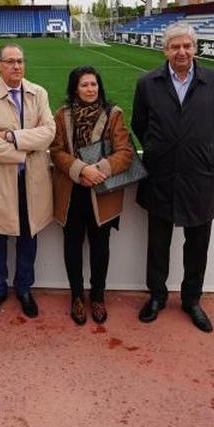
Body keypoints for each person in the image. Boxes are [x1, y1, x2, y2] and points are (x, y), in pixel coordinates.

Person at [131, 22, 214, 332]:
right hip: (160, 176)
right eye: (175, 46)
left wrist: (198, 153)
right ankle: (157, 296)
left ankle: (192, 300)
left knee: (197, 243)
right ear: (165, 50)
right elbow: (140, 124)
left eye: (187, 46)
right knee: (158, 242)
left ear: (195, 48)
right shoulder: (148, 83)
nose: (182, 51)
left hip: (200, 177)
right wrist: (162, 151)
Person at [0, 43, 55, 319]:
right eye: (10, 61)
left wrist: (13, 136)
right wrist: (27, 149)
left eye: (20, 61)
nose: (17, 66)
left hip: (32, 181)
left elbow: (49, 132)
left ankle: (24, 288)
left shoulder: (38, 93)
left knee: (29, 236)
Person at [50, 65, 134, 325]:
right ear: (75, 88)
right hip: (71, 191)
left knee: (101, 247)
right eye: (84, 84)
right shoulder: (62, 114)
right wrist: (80, 169)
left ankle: (97, 296)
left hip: (102, 191)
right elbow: (56, 150)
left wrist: (98, 170)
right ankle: (76, 296)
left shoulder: (114, 114)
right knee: (72, 245)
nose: (90, 89)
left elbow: (125, 152)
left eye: (94, 84)